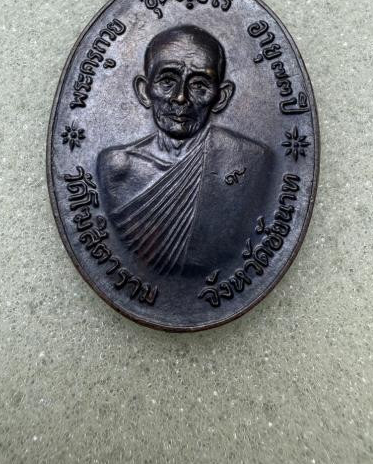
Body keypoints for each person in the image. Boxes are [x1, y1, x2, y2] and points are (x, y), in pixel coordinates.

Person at [97, 24, 271, 277]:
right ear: (144, 91)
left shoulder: (251, 160)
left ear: (221, 97)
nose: (180, 97)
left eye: (199, 85)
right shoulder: (116, 167)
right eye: (167, 81)